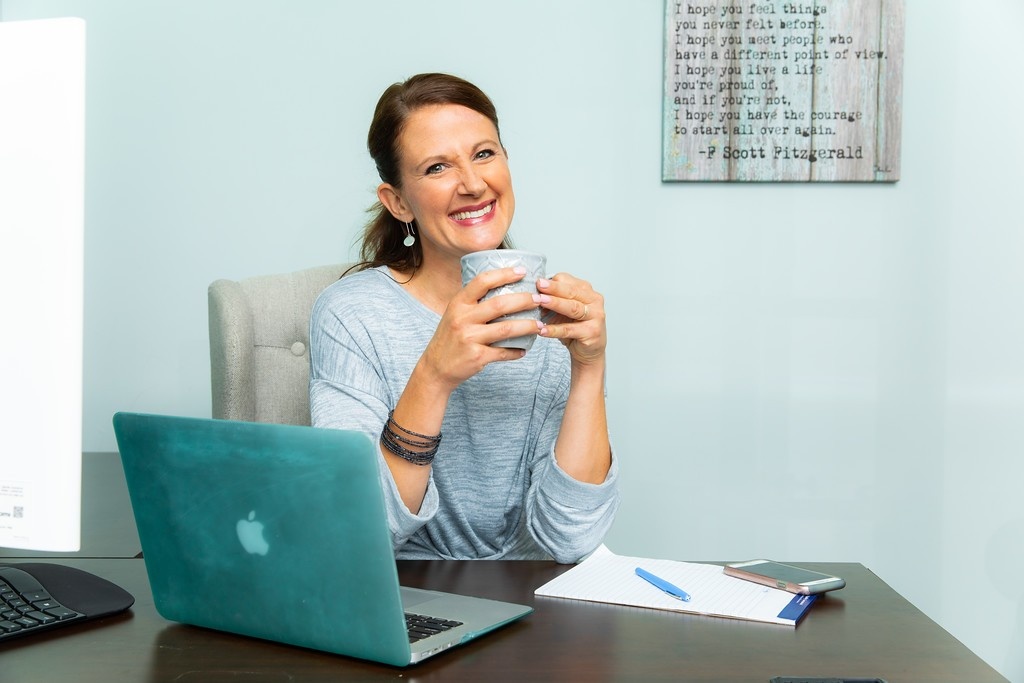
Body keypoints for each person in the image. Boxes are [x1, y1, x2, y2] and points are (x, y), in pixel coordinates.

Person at [309, 73, 618, 563]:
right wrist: (434, 374)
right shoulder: (351, 315)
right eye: (437, 167)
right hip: (406, 591)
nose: (473, 184)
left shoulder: (552, 317)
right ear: (398, 202)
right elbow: (360, 536)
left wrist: (589, 366)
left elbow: (572, 540)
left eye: (484, 154)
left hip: (531, 595)